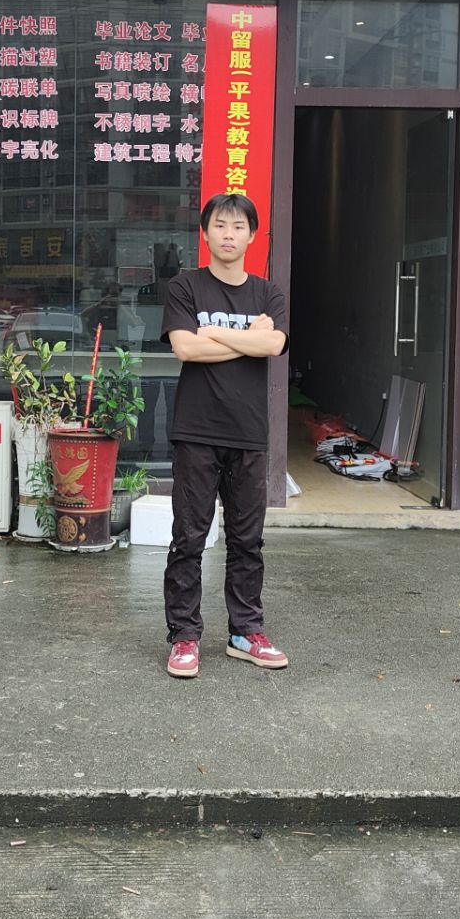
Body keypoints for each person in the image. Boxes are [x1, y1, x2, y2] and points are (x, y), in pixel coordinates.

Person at [159, 193, 289, 679]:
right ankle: (184, 636)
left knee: (247, 539)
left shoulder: (268, 294)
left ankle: (245, 632)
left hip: (249, 433)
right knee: (189, 538)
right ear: (206, 232)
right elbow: (185, 350)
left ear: (252, 235)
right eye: (220, 225)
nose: (228, 234)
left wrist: (212, 335)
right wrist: (247, 340)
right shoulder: (185, 286)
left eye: (238, 226)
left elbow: (274, 343)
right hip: (196, 430)